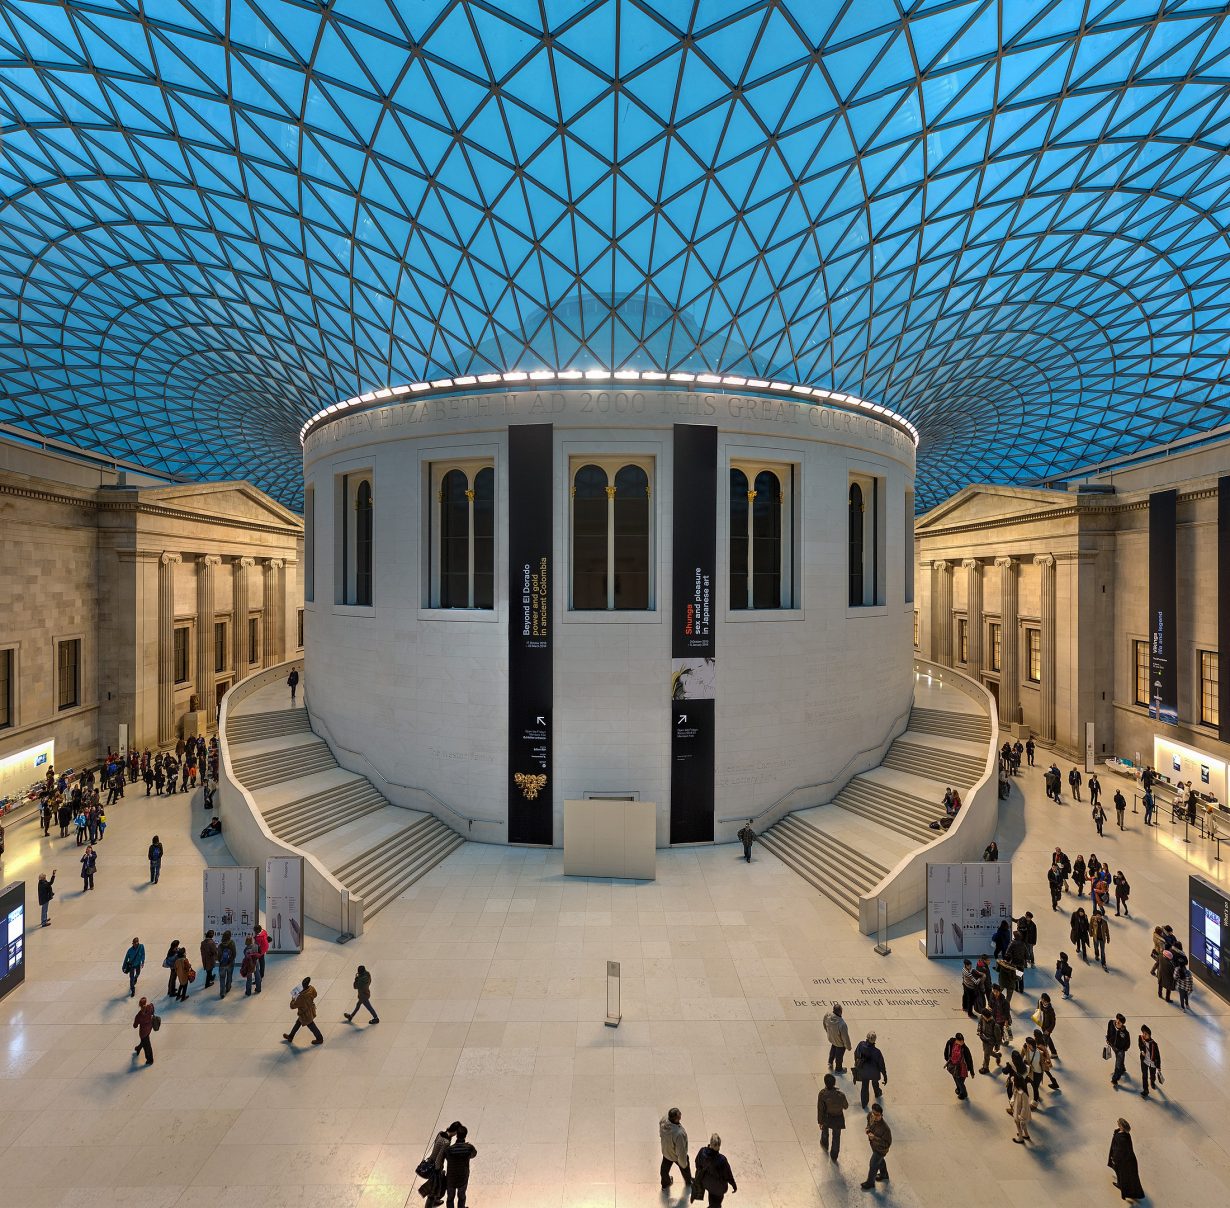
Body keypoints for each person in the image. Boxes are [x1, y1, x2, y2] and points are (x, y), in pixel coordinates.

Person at [693, 1133, 737, 1205]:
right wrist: (733, 1185)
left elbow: (697, 1164)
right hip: (718, 1188)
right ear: (719, 1146)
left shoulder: (702, 1152)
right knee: (717, 1204)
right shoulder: (722, 1160)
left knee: (711, 1196)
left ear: (710, 1143)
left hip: (706, 1182)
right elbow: (728, 1175)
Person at [1108, 1118, 1145, 1201]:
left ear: (1121, 1126)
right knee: (1123, 1174)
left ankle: (1122, 1186)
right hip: (1128, 1160)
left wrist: (1114, 1158)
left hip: (1123, 1161)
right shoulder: (1126, 1135)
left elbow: (1119, 1150)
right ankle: (1121, 1184)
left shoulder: (1121, 1138)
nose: (1117, 1122)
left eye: (1118, 1122)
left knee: (1122, 1174)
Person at [444, 1122, 477, 1208]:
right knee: (462, 1196)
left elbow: (447, 1158)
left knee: (450, 1198)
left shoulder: (449, 1149)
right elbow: (474, 1154)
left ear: (456, 1135)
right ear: (465, 1136)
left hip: (451, 1177)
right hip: (463, 1176)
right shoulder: (469, 1148)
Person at [817, 1072, 848, 1161]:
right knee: (836, 1137)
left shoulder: (823, 1094)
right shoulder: (841, 1095)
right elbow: (846, 1106)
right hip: (838, 1118)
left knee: (825, 1131)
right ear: (834, 1083)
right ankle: (834, 1155)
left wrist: (820, 1121)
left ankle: (824, 1143)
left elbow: (820, 1109)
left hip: (827, 1117)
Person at [283, 976, 324, 1045]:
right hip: (311, 1009)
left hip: (305, 1014)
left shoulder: (301, 997)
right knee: (298, 1022)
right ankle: (291, 1036)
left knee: (311, 1025)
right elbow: (315, 995)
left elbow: (292, 1006)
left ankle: (320, 1038)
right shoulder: (311, 988)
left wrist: (293, 998)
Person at [859, 1103, 892, 1189]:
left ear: (881, 1115)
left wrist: (875, 1138)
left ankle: (870, 1183)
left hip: (881, 1150)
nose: (875, 1116)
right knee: (880, 1161)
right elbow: (868, 1123)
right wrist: (867, 1129)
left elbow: (887, 1144)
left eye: (878, 1115)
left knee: (873, 1164)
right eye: (874, 1113)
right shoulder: (870, 1115)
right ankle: (884, 1174)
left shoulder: (885, 1129)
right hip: (874, 1146)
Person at [659, 1107, 691, 1189]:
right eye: (679, 1114)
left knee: (664, 1170)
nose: (681, 1114)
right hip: (675, 1156)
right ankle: (688, 1181)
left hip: (666, 1152)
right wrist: (683, 1164)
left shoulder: (664, 1120)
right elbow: (681, 1151)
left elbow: (660, 1128)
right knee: (685, 1169)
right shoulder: (678, 1134)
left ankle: (665, 1183)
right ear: (676, 1119)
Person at [852, 1031, 887, 1109]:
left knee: (864, 1086)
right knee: (875, 1083)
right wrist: (885, 1075)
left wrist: (857, 1063)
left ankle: (864, 1103)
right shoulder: (877, 1052)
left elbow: (856, 1054)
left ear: (867, 1038)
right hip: (874, 1073)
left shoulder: (861, 1045)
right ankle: (877, 1093)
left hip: (864, 1071)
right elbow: (881, 1065)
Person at [422, 1126, 452, 1208]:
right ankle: (430, 1205)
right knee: (434, 1189)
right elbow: (439, 1156)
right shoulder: (446, 1142)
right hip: (436, 1167)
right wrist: (438, 1169)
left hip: (431, 1162)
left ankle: (435, 1201)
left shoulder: (440, 1134)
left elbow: (435, 1146)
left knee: (435, 1187)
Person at [943, 1032, 974, 1100]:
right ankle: (959, 1088)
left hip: (962, 1067)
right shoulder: (951, 1042)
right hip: (953, 1065)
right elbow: (946, 1050)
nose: (962, 1042)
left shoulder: (965, 1049)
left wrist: (972, 1071)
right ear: (956, 1040)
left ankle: (964, 1093)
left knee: (960, 1081)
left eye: (962, 1041)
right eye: (960, 1041)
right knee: (955, 1078)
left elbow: (969, 1060)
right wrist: (946, 1058)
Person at [823, 1003, 852, 1073]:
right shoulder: (842, 1024)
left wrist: (828, 1032)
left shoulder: (827, 1015)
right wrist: (848, 1047)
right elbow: (845, 1037)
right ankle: (838, 1069)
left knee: (833, 1048)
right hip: (839, 1043)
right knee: (839, 1056)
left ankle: (830, 1062)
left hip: (832, 1038)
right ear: (840, 1012)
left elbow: (824, 1023)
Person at [1008, 1065, 1032, 1143]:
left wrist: (1021, 1116)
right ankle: (1026, 1135)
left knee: (1018, 1123)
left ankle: (1021, 1138)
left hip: (1020, 1112)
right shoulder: (1017, 1089)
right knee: (1023, 1124)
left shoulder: (1023, 1094)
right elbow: (1013, 1080)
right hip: (1018, 1109)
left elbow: (1024, 1107)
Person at [132, 997, 157, 1066]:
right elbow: (152, 1008)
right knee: (145, 1041)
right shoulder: (150, 1007)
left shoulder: (139, 1016)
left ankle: (150, 1060)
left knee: (147, 1046)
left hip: (143, 1032)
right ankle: (138, 1048)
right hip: (149, 1028)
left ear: (139, 1005)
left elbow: (135, 1026)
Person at [1108, 1014, 1131, 1087]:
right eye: (1117, 1021)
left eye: (1120, 1022)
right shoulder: (1111, 1023)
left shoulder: (1125, 1033)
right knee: (1120, 1061)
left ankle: (1115, 1079)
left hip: (1120, 1049)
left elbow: (1128, 1042)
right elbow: (1109, 1031)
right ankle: (1123, 1067)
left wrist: (1124, 1049)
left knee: (1118, 1064)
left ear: (1122, 1024)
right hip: (1112, 1045)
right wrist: (1108, 1039)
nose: (1117, 1023)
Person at [1138, 1025, 1161, 1098]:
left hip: (1152, 1062)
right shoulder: (1140, 1038)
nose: (1144, 1035)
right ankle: (1145, 1090)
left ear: (1149, 1035)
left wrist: (1159, 1067)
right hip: (1144, 1061)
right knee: (1144, 1076)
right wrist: (1141, 1051)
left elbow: (1158, 1056)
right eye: (1143, 1033)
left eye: (1146, 1034)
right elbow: (1140, 1045)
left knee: (1152, 1075)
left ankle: (1152, 1081)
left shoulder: (1154, 1044)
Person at [1036, 992, 1058, 1058]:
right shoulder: (1041, 1004)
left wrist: (1048, 1030)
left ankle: (1043, 1056)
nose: (1041, 1001)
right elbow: (1038, 1010)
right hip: (1043, 1026)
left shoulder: (1051, 1010)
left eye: (1042, 999)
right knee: (1048, 1040)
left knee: (1044, 1042)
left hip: (1048, 1028)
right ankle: (1054, 1053)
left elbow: (1053, 1022)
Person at [217, 930, 236, 998]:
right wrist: (231, 960)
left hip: (222, 964)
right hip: (230, 963)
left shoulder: (220, 945)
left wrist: (220, 961)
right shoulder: (232, 943)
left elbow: (218, 956)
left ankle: (222, 993)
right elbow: (234, 953)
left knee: (222, 978)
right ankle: (228, 988)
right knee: (229, 975)